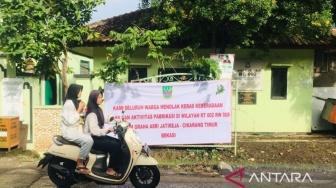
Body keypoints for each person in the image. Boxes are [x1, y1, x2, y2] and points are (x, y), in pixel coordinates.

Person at [84, 90, 122, 178]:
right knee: (115, 146)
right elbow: (95, 131)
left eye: (102, 97)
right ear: (94, 99)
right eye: (99, 97)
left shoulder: (97, 109)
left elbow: (105, 119)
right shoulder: (92, 114)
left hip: (98, 137)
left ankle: (118, 167)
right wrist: (108, 130)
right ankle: (110, 170)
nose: (102, 99)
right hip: (92, 139)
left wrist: (118, 121)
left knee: (119, 142)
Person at [61, 83, 94, 174]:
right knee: (88, 141)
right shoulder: (68, 104)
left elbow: (76, 115)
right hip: (68, 132)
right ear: (74, 92)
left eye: (81, 91)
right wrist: (79, 109)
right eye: (79, 91)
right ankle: (80, 162)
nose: (80, 93)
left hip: (74, 130)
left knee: (89, 137)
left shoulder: (74, 102)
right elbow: (70, 121)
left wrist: (83, 111)